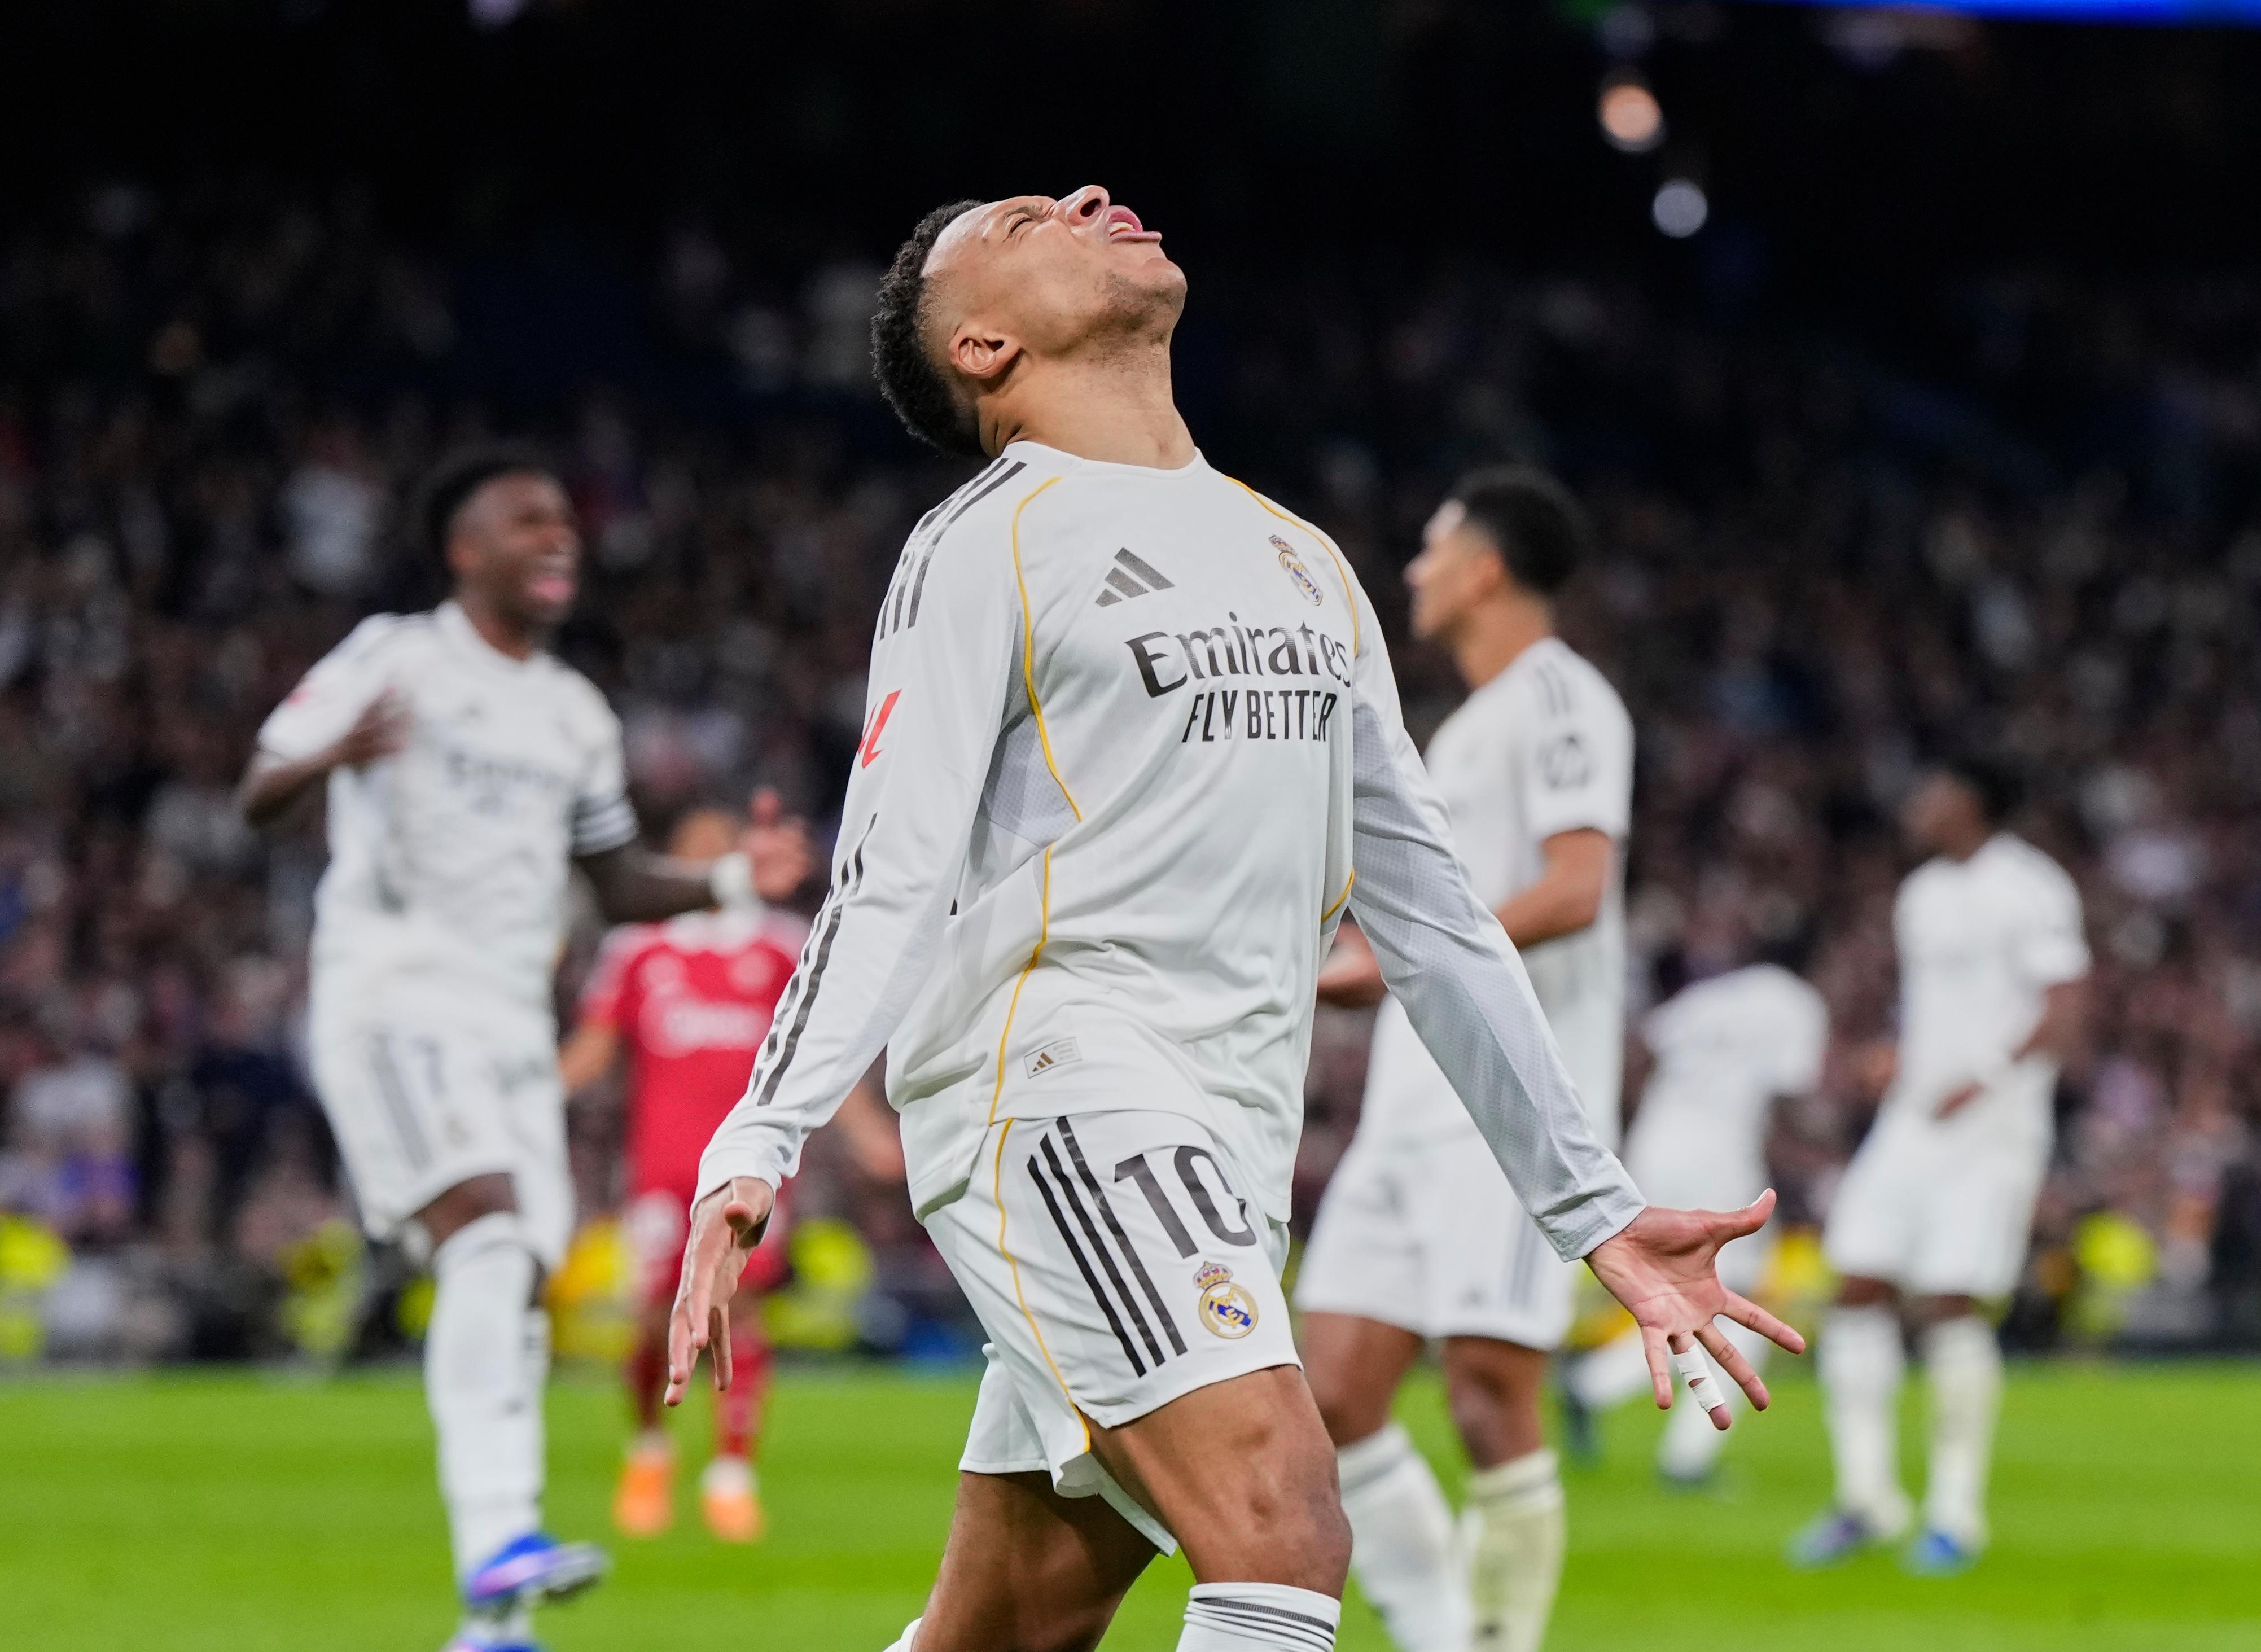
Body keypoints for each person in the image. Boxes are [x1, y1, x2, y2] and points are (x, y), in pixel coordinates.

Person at [667, 183, 1803, 1652]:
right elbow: (882, 872)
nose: (1083, 198)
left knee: (1009, 1619)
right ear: (985, 345)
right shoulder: (983, 545)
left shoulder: (1296, 555)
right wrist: (760, 1133)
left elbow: (1434, 913)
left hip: (1221, 1133)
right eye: (1025, 218)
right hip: (1055, 1096)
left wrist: (1588, 1203)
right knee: (1279, 1524)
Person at [238, 450, 812, 1652]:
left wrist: (721, 877)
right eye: (525, 520)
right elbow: (259, 787)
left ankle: (491, 1614)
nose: (557, 535)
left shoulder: (572, 714)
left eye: (563, 520)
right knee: (491, 1237)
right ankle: (499, 1533)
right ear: (465, 550)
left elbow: (610, 878)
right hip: (396, 996)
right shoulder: (396, 655)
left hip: (508, 1020)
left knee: (519, 1282)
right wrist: (328, 760)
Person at [1289, 466, 1632, 1652]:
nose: (1413, 572)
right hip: (1404, 1099)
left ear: (1484, 567)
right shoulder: (1460, 726)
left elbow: (1575, 885)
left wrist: (1390, 960)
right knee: (1325, 1393)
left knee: (1488, 1390)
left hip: (1502, 1103)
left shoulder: (1562, 702)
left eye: (1431, 550)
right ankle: (1443, 1634)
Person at [561, 805, 902, 1544]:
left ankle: (730, 1474)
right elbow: (592, 1050)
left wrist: (869, 1128)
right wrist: (526, 1100)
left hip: (749, 1168)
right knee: (657, 1309)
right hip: (660, 1170)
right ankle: (649, 1447)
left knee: (740, 1309)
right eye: (695, 850)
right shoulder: (638, 947)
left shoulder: (779, 946)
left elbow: (820, 1051)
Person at [1788, 756, 2089, 1575]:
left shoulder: (2029, 886)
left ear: (1972, 799)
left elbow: (2064, 1007)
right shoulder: (1919, 893)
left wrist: (1982, 1075)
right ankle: (1866, 1498)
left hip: (1992, 1128)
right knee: (1853, 1282)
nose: (1915, 803)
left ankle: (1955, 1513)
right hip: (1911, 1121)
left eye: (1932, 790)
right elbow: (1937, 1010)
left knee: (1948, 1302)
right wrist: (1899, 1056)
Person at [1561, 927, 1829, 1488]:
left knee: (1688, 1298)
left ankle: (1591, 1385)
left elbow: (1641, 1054)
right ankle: (1687, 1456)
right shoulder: (1796, 1003)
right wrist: (1820, 1156)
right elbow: (1789, 1098)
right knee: (1741, 1304)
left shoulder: (1710, 995)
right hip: (1717, 1154)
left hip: (1654, 1145)